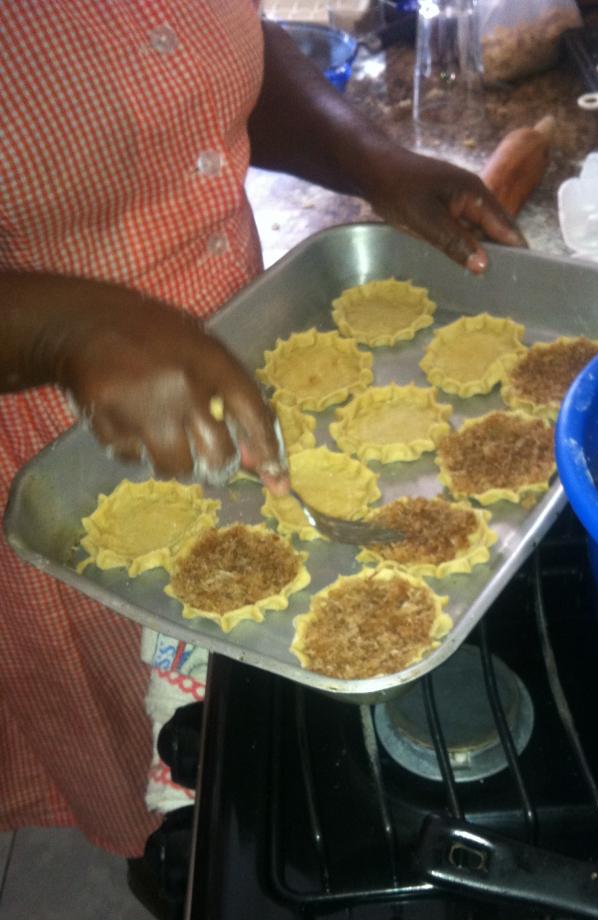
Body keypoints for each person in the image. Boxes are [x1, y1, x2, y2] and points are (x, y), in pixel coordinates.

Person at [0, 3, 523, 860]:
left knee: (265, 731)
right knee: (170, 764)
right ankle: (183, 867)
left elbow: (204, 51)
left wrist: (366, 156)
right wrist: (62, 333)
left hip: (254, 358)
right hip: (56, 446)